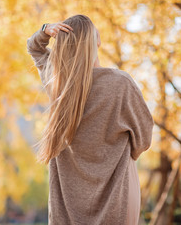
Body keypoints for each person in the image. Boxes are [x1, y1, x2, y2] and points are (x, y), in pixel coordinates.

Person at [26, 14, 154, 225]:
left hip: (66, 210)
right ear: (96, 40)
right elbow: (144, 139)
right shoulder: (120, 84)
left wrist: (44, 30)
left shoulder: (58, 84)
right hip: (116, 203)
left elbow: (35, 48)